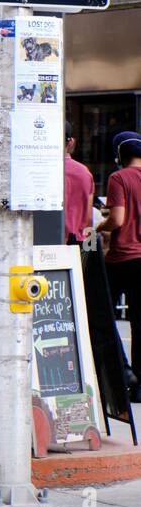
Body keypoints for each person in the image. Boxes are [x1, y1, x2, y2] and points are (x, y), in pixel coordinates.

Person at [98, 131, 141, 389]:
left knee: (101, 316)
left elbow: (118, 219)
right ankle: (138, 386)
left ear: (119, 155)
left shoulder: (119, 177)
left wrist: (99, 227)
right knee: (139, 323)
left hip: (122, 259)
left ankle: (122, 372)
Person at [64, 134, 94, 245]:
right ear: (71, 142)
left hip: (45, 241)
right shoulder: (84, 172)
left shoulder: (40, 169)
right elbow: (89, 217)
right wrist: (92, 247)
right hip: (77, 242)